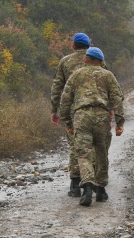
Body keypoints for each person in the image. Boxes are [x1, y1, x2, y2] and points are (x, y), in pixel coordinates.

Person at [59, 47, 125, 206]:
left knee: (83, 153)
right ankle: (101, 191)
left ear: (85, 59)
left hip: (81, 117)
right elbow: (117, 98)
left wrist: (68, 122)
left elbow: (65, 99)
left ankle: (87, 187)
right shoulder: (108, 75)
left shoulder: (76, 75)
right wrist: (119, 122)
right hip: (102, 117)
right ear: (102, 62)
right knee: (101, 152)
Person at [50, 32, 91, 197]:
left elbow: (57, 87)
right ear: (89, 45)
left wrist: (55, 110)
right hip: (95, 109)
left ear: (73, 46)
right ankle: (92, 182)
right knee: (93, 145)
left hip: (73, 110)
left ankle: (75, 185)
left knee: (75, 145)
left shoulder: (65, 62)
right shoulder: (96, 59)